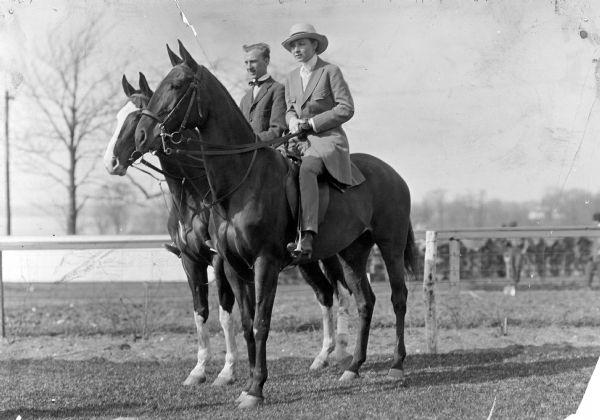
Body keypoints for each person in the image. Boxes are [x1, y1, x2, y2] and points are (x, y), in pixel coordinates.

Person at [282, 23, 365, 259]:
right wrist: (292, 122)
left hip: (327, 140)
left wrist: (313, 123)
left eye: (301, 43)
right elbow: (289, 110)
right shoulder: (290, 78)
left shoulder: (330, 71)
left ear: (314, 45)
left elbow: (346, 108)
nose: (296, 49)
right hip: (297, 141)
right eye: (292, 45)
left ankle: (307, 234)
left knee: (307, 169)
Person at [239, 43, 286, 141]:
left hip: (268, 152)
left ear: (266, 61)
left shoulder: (278, 89)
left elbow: (277, 130)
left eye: (253, 62)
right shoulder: (245, 99)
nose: (248, 67)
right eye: (246, 62)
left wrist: (252, 141)